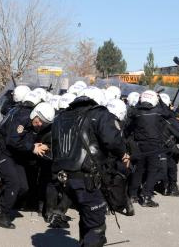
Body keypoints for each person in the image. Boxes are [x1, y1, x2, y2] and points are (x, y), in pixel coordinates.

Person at [51, 87, 129, 246]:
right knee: (96, 225)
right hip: (87, 178)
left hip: (64, 178)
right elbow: (113, 140)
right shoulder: (99, 114)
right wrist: (123, 153)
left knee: (86, 216)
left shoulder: (62, 115)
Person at [0, 101, 53, 229]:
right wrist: (32, 147)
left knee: (23, 187)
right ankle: (3, 216)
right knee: (13, 183)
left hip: (17, 156)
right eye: (39, 120)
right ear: (35, 115)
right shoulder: (22, 119)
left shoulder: (37, 126)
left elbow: (29, 139)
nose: (40, 124)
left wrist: (41, 145)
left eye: (44, 123)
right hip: (4, 153)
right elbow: (12, 140)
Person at [124, 90, 171, 208]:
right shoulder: (158, 112)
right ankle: (146, 196)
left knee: (138, 170)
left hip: (139, 145)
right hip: (154, 145)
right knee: (152, 171)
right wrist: (160, 99)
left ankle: (132, 194)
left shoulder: (137, 112)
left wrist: (139, 101)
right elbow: (168, 112)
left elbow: (128, 123)